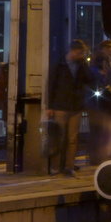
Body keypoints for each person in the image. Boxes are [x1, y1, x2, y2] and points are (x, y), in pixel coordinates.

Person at [46, 38, 93, 177]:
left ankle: (69, 166)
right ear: (73, 51)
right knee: (59, 137)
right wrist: (50, 106)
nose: (82, 55)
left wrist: (84, 64)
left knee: (72, 139)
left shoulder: (81, 65)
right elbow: (51, 85)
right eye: (81, 53)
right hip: (60, 106)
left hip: (76, 106)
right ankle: (55, 167)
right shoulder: (59, 64)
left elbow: (89, 79)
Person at [87, 38, 111, 164]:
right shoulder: (100, 60)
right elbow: (102, 80)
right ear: (110, 48)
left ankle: (108, 155)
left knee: (109, 131)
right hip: (102, 103)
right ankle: (97, 158)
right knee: (99, 131)